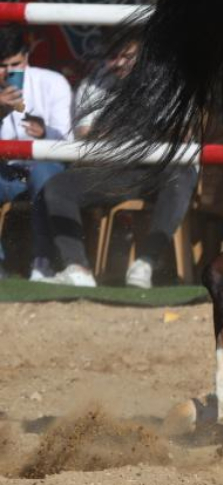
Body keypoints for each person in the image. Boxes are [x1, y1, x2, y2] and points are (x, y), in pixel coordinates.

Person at [37, 39, 200, 288]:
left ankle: (146, 262)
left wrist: (144, 123)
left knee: (181, 173)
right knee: (57, 186)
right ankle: (77, 268)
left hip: (161, 169)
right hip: (113, 169)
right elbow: (85, 134)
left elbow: (183, 133)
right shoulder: (95, 82)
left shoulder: (170, 81)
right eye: (113, 56)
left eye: (128, 56)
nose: (119, 63)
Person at [0, 26, 71, 279]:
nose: (8, 72)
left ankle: (42, 260)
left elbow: (66, 140)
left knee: (44, 172)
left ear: (26, 57)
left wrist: (44, 133)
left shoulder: (52, 83)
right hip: (8, 174)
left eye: (15, 64)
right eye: (2, 66)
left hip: (44, 170)